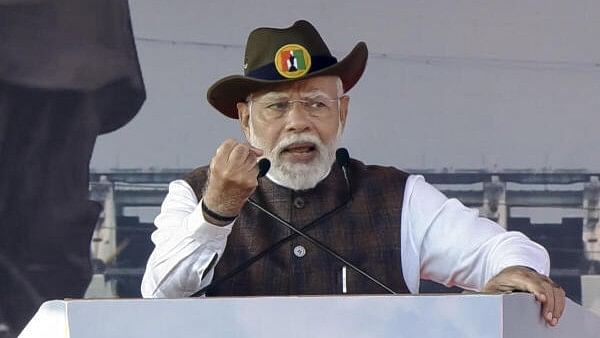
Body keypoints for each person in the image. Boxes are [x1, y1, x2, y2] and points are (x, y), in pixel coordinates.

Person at [141, 20, 565, 326]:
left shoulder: (397, 197)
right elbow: (158, 295)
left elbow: (503, 251)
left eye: (316, 104)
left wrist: (516, 273)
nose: (298, 122)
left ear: (341, 113)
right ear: (245, 118)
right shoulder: (193, 193)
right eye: (277, 106)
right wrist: (216, 211)